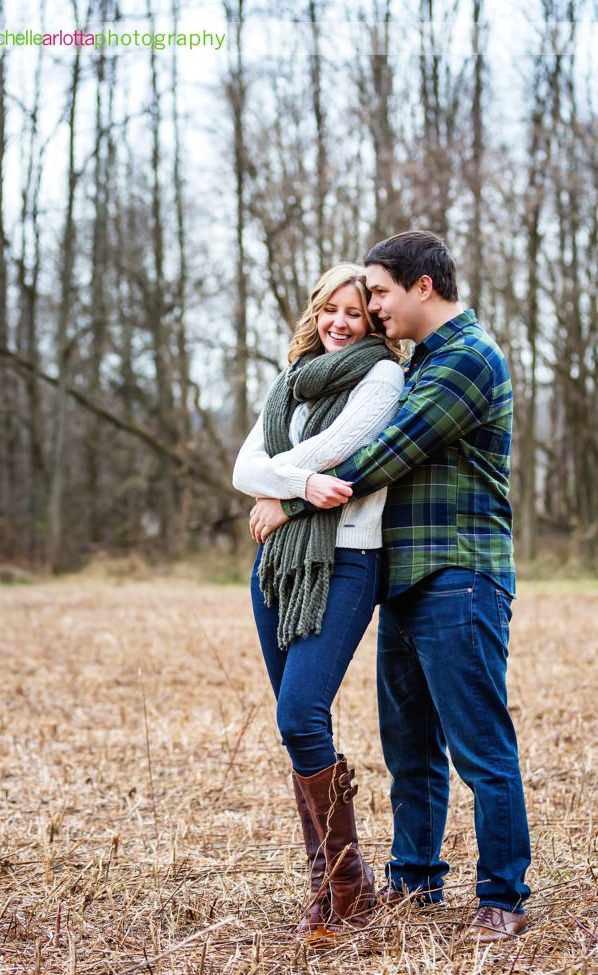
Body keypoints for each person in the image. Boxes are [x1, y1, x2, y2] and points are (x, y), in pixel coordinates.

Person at [249, 231, 532, 945]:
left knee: (479, 745)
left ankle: (502, 894)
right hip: (402, 578)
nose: (372, 308)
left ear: (422, 288)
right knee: (409, 747)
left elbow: (385, 451)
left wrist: (288, 498)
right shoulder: (428, 360)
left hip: (459, 573)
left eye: (378, 292)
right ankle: (415, 878)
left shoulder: (467, 359)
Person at [232, 263, 405, 940]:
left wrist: (286, 488)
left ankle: (350, 883)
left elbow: (340, 451)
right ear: (316, 311)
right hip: (277, 567)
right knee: (297, 727)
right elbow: (243, 468)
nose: (340, 321)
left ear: (370, 321)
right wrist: (295, 484)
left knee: (302, 712)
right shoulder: (289, 382)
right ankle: (323, 888)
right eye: (329, 308)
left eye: (355, 312)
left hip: (347, 560)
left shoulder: (382, 376)